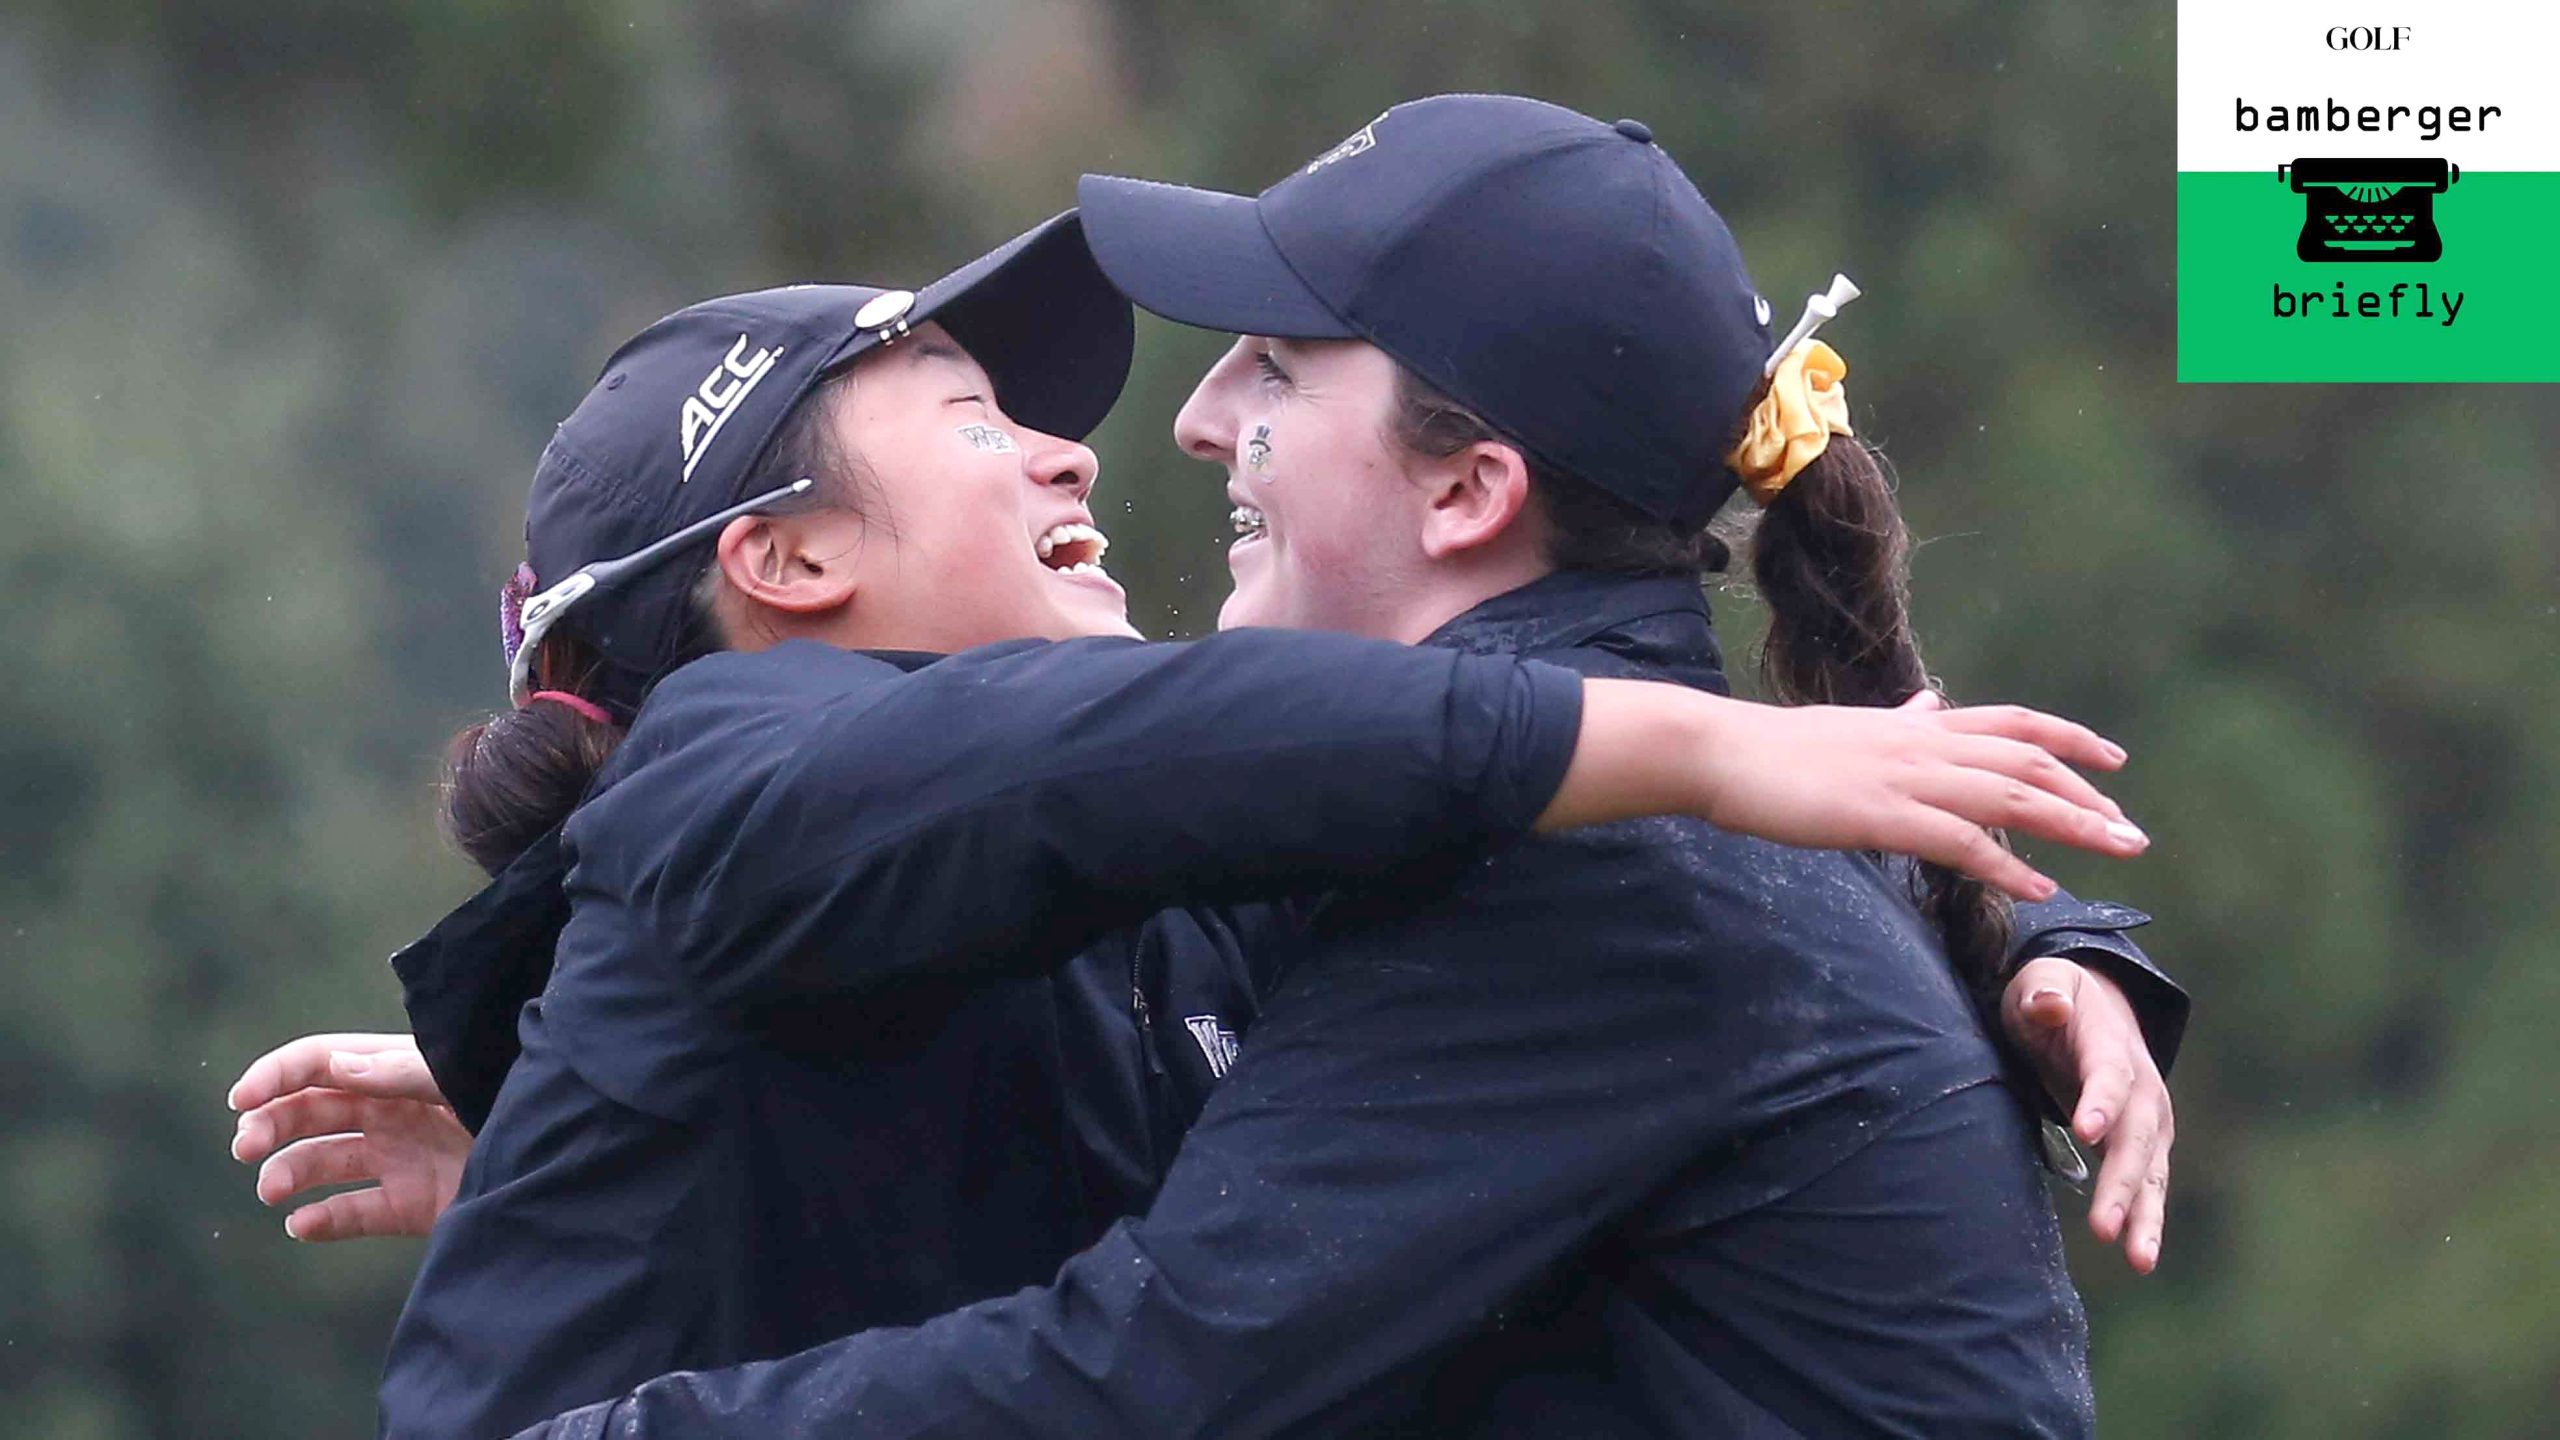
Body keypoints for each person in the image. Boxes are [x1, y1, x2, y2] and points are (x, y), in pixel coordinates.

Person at [232, 207, 2143, 1439]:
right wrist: (1703, 750)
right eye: (979, 418)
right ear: (785, 561)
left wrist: (2035, 951)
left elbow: (1383, 854)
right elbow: (1184, 755)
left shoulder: (1120, 873)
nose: (1088, 447)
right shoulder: (739, 754)